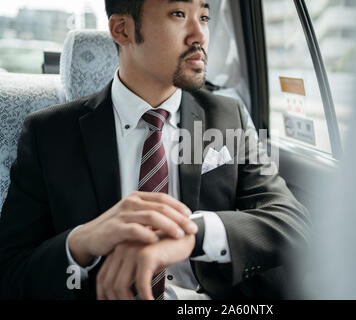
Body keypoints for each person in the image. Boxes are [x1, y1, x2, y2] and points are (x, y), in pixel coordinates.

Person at [0, 0, 310, 300]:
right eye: (178, 13)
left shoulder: (230, 117)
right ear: (122, 29)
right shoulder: (49, 133)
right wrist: (80, 243)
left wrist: (192, 234)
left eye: (203, 17)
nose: (200, 34)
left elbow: (291, 221)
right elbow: (10, 273)